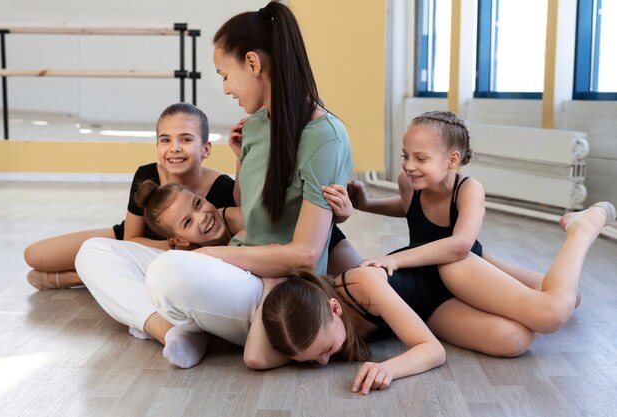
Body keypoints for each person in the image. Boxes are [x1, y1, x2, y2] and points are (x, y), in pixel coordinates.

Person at [137, 0, 353, 368]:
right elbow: (249, 206)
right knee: (100, 253)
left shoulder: (325, 136)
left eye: (224, 74)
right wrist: (240, 157)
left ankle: (189, 326)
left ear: (253, 63)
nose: (225, 89)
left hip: (281, 282)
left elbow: (304, 254)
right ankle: (188, 327)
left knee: (166, 272)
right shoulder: (254, 124)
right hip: (243, 266)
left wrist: (208, 254)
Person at [258, 202, 616, 395]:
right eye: (312, 360)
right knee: (516, 339)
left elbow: (432, 350)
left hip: (447, 269)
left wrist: (389, 368)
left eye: (324, 350)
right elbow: (256, 357)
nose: (323, 363)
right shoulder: (305, 327)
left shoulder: (363, 284)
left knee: (555, 311)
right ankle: (507, 275)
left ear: (334, 308)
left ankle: (582, 227)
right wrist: (267, 287)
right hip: (431, 308)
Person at [23, 103, 234, 289]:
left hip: (182, 257)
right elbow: (130, 238)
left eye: (186, 139)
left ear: (206, 149)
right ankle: (97, 274)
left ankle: (79, 278)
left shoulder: (223, 187)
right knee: (34, 255)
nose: (175, 148)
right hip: (138, 243)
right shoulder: (147, 175)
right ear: (157, 147)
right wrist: (169, 246)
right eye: (165, 140)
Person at [346, 110, 544, 290]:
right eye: (405, 156)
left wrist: (395, 259)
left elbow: (460, 245)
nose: (409, 166)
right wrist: (365, 204)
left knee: (547, 288)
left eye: (421, 158)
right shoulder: (407, 181)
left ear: (452, 160)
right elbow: (412, 209)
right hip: (427, 269)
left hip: (468, 266)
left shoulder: (469, 190)